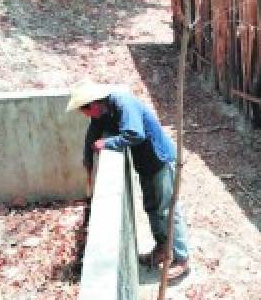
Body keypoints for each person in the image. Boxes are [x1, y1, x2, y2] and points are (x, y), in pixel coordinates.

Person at [67, 82, 191, 281]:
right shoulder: (103, 111)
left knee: (167, 210)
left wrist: (108, 143)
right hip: (145, 164)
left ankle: (182, 259)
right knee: (152, 208)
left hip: (159, 160)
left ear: (94, 105)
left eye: (85, 111)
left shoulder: (123, 104)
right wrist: (88, 161)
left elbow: (135, 133)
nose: (86, 116)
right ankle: (162, 248)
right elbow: (92, 134)